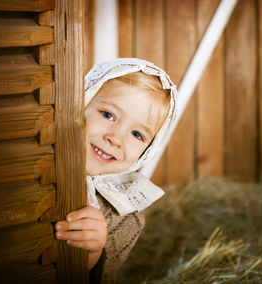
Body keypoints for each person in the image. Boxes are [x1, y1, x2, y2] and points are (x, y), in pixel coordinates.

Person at [54, 58, 177, 283]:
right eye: (108, 115)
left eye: (137, 134)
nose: (115, 138)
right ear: (83, 102)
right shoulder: (38, 155)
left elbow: (104, 278)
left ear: (147, 150)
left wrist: (93, 253)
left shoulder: (126, 218)